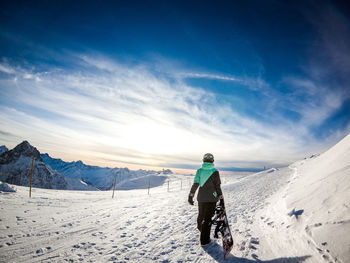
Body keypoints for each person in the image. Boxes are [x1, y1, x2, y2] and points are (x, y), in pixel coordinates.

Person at [188, 153, 224, 246]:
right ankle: (204, 240)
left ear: (203, 160)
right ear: (212, 161)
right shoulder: (215, 171)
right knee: (207, 218)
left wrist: (191, 195)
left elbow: (195, 184)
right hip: (212, 198)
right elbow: (217, 186)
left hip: (201, 198)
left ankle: (201, 230)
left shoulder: (199, 171)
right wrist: (221, 198)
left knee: (201, 215)